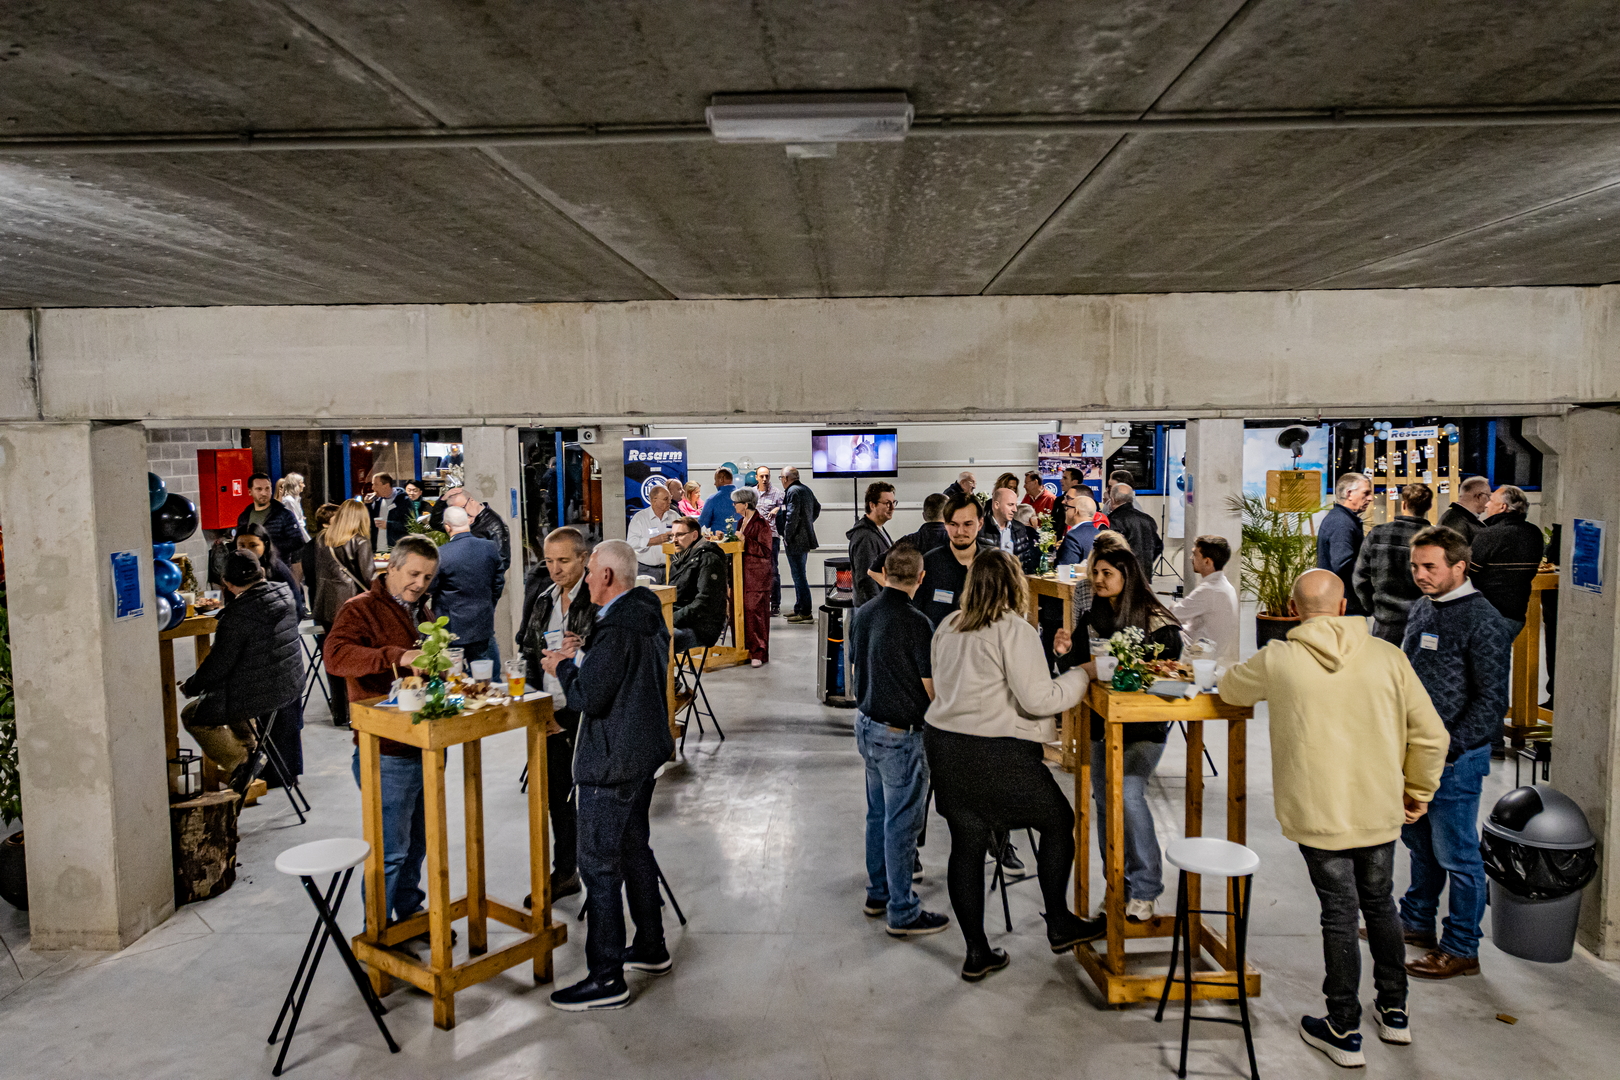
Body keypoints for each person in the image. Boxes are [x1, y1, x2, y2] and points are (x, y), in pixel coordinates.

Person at [1219, 569, 1447, 1067]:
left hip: (1317, 812)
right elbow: (1432, 736)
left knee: (1339, 913)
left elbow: (1231, 689)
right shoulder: (1388, 657)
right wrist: (1418, 790)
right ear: (1344, 607)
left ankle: (1343, 1028)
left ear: (1293, 611)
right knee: (1380, 904)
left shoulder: (1279, 659)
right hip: (1379, 808)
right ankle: (1395, 1011)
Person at [925, 550, 1105, 981]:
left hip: (945, 748)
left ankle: (976, 952)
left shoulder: (948, 626)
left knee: (966, 845)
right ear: (1014, 585)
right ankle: (1059, 922)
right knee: (1058, 822)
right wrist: (1083, 674)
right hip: (996, 752)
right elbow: (1039, 700)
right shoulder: (1014, 630)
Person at [541, 540, 676, 1011]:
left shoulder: (616, 627)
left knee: (598, 866)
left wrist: (562, 666)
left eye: (590, 569)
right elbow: (621, 676)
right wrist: (583, 657)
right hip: (642, 753)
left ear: (606, 576)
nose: (585, 578)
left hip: (612, 761)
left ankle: (606, 978)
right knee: (634, 848)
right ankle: (651, 947)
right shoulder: (643, 614)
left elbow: (587, 699)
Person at [1399, 525, 1516, 981]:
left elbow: (1492, 702)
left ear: (1459, 567)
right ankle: (1415, 921)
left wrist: (1449, 749)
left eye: (1430, 566)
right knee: (1420, 844)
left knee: (1458, 854)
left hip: (1455, 760)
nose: (1420, 574)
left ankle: (1462, 947)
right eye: (1415, 566)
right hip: (1416, 753)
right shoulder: (1423, 607)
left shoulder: (1483, 620)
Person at [324, 536, 441, 925]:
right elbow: (336, 657)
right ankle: (376, 932)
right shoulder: (359, 609)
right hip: (385, 752)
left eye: (427, 577)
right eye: (413, 574)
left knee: (417, 844)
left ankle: (408, 913)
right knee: (390, 851)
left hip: (422, 744)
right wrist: (396, 656)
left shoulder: (421, 612)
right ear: (391, 567)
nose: (419, 583)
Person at [1073, 545, 1181, 922]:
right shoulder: (1092, 616)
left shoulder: (1158, 622)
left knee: (1129, 793)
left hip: (1144, 729)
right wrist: (1063, 652)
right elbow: (1075, 662)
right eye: (1095, 572)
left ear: (1127, 576)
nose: (1098, 580)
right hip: (1101, 725)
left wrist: (1122, 669)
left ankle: (1146, 888)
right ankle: (1117, 886)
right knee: (1105, 802)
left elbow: (1171, 676)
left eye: (1107, 573)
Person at [850, 545, 949, 938]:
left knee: (878, 814)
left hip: (867, 725)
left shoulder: (863, 613)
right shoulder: (918, 624)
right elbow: (931, 688)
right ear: (921, 578)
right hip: (901, 737)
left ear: (886, 572)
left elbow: (856, 665)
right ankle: (903, 910)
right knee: (902, 824)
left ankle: (878, 893)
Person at [179, 551, 305, 796]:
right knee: (227, 695)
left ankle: (243, 763)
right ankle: (251, 751)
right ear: (261, 572)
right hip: (290, 685)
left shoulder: (237, 615)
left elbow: (218, 665)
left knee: (192, 715)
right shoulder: (284, 593)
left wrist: (191, 686)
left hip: (262, 694)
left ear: (226, 583)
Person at [519, 527, 598, 905]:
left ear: (584, 558)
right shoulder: (542, 598)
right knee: (557, 797)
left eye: (563, 561)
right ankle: (565, 871)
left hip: (586, 712)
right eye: (549, 561)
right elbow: (528, 652)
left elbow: (605, 663)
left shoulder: (597, 599)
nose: (555, 569)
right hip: (549, 710)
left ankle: (599, 871)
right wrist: (538, 708)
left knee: (591, 797)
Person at [313, 499, 374, 727]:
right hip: (350, 607)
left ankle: (340, 712)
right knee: (354, 658)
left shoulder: (322, 539)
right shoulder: (360, 541)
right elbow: (368, 577)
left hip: (325, 606)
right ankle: (356, 712)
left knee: (333, 657)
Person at [1353, 483, 1434, 643]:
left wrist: (1373, 608)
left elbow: (1360, 576)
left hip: (1385, 620)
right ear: (1429, 507)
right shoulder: (1437, 538)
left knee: (1384, 659)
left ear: (1403, 504)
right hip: (1425, 621)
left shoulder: (1378, 534)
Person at [430, 506, 506, 666]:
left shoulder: (440, 554)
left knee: (454, 675)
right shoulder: (489, 547)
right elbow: (498, 583)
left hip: (451, 627)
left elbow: (431, 587)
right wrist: (488, 604)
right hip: (482, 622)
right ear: (468, 522)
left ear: (447, 527)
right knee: (486, 674)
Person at [1469, 484, 1545, 630]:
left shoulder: (1489, 535)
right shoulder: (1534, 533)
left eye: (1491, 500)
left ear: (1503, 507)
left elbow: (1468, 572)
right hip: (1517, 613)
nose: (1487, 505)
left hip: (1486, 613)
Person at [914, 495, 987, 629]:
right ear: (945, 524)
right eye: (953, 524)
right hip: (939, 640)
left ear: (980, 524)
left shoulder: (992, 564)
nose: (960, 531)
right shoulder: (929, 563)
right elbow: (917, 615)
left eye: (968, 524)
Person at [667, 517, 729, 651]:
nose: (674, 540)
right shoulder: (681, 557)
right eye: (672, 536)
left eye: (679, 535)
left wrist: (670, 618)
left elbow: (705, 602)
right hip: (681, 620)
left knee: (652, 641)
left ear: (694, 535)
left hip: (701, 628)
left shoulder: (709, 559)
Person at [1318, 472, 1372, 616]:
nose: (1370, 498)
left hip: (1342, 602)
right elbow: (1343, 564)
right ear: (1349, 494)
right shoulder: (1341, 523)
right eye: (1366, 493)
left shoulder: (1341, 519)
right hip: (1345, 606)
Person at [235, 522, 307, 622]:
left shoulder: (276, 568)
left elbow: (295, 603)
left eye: (253, 545)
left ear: (265, 544)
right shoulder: (235, 567)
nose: (247, 550)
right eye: (242, 545)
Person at [732, 487, 772, 665]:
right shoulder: (741, 522)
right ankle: (743, 650)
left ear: (746, 504)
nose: (734, 505)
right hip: (741, 575)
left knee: (755, 613)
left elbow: (765, 550)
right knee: (740, 613)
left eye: (736, 502)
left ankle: (759, 653)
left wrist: (745, 540)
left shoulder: (761, 524)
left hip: (757, 577)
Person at [779, 467, 822, 623]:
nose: (781, 481)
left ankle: (805, 612)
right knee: (799, 574)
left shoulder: (792, 492)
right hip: (805, 538)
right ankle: (799, 607)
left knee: (799, 576)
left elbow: (791, 516)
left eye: (781, 478)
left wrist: (787, 535)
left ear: (786, 478)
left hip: (796, 539)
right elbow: (817, 507)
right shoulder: (806, 489)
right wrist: (808, 522)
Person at [238, 472, 306, 568]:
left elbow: (298, 541)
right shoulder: (244, 517)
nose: (264, 493)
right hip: (252, 569)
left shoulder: (284, 514)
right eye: (259, 489)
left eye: (267, 488)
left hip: (277, 568)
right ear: (250, 492)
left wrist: (269, 547)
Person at [847, 481, 896, 608]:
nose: (892, 508)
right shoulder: (865, 537)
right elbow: (866, 579)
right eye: (887, 503)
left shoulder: (878, 529)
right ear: (872, 505)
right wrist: (877, 610)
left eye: (894, 502)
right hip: (872, 608)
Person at [446, 486, 512, 574]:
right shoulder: (464, 519)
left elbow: (502, 559)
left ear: (471, 500)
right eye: (457, 511)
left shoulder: (493, 523)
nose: (461, 513)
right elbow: (437, 523)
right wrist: (442, 499)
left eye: (463, 507)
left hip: (481, 576)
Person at [627, 484, 680, 585]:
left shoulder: (674, 516)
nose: (669, 502)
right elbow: (632, 543)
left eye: (670, 498)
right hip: (646, 570)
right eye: (666, 499)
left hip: (670, 569)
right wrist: (654, 540)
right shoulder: (640, 518)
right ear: (654, 500)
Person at [980, 486, 1039, 574]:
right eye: (1010, 505)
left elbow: (1026, 561)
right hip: (988, 579)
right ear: (996, 505)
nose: (1015, 510)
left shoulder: (1020, 528)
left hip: (1015, 579)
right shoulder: (980, 528)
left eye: (1015, 505)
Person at [1103, 484, 1162, 571]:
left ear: (1113, 499)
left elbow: (1109, 549)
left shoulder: (1114, 520)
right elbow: (1158, 546)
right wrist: (1147, 562)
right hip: (1144, 572)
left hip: (1123, 572)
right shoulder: (1148, 519)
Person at [753, 466, 786, 616]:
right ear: (756, 477)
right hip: (755, 537)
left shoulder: (778, 493)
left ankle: (775, 604)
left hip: (772, 536)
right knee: (756, 570)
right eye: (762, 476)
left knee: (772, 569)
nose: (765, 479)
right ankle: (759, 602)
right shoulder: (752, 493)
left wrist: (777, 509)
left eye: (767, 476)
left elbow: (786, 507)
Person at [301, 502, 338, 618]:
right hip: (325, 601)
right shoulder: (313, 547)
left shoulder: (344, 543)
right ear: (325, 524)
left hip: (321, 600)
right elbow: (310, 577)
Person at [1054, 488, 1098, 567]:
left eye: (1067, 508)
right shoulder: (1100, 534)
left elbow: (1064, 568)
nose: (1065, 512)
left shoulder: (1072, 537)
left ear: (1076, 511)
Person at [1440, 476, 1490, 543]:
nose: (1489, 500)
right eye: (1488, 496)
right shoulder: (1455, 522)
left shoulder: (1459, 518)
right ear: (1479, 497)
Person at [364, 471, 406, 550]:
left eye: (375, 484)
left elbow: (408, 526)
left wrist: (388, 525)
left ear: (386, 486)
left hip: (395, 550)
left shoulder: (404, 501)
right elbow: (370, 523)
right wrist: (368, 505)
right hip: (377, 549)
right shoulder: (377, 500)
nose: (373, 488)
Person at [386, 479, 429, 547]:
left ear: (420, 492)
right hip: (402, 540)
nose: (411, 493)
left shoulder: (426, 506)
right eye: (409, 490)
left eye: (415, 491)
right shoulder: (398, 505)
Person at [697, 467, 738, 534]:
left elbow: (703, 524)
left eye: (716, 480)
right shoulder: (745, 497)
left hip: (719, 539)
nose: (714, 483)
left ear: (721, 479)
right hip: (741, 538)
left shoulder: (712, 499)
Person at [277, 473, 310, 547]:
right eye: (301, 483)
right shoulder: (289, 501)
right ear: (295, 485)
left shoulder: (295, 500)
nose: (304, 485)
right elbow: (295, 523)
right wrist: (307, 540)